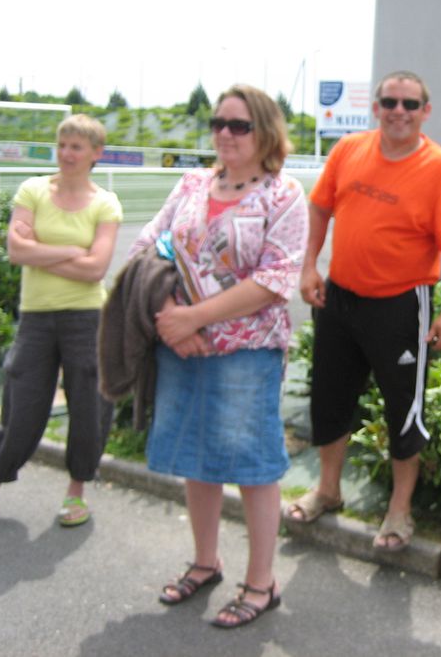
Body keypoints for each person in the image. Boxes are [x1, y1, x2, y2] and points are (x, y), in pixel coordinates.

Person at [127, 84, 307, 629]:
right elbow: (145, 247)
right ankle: (205, 562)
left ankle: (261, 583)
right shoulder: (190, 184)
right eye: (218, 123)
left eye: (239, 125)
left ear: (265, 132)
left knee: (252, 465)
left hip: (244, 354)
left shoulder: (283, 195)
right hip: (180, 347)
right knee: (195, 460)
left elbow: (276, 279)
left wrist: (194, 318)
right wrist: (170, 319)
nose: (225, 134)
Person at [286, 70, 441, 551]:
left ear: (425, 112)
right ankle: (327, 491)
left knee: (402, 411)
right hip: (340, 298)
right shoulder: (349, 150)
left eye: (410, 104)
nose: (399, 111)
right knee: (329, 398)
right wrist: (310, 266)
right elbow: (320, 208)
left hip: (401, 305)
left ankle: (399, 510)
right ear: (376, 107)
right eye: (390, 101)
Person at [0, 114, 122, 530]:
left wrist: (44, 249)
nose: (67, 153)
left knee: (89, 406)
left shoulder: (105, 203)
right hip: (36, 317)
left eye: (77, 147)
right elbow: (17, 252)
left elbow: (96, 270)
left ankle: (76, 492)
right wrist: (73, 249)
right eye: (62, 145)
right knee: (20, 404)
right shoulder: (32, 189)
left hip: (87, 317)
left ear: (95, 154)